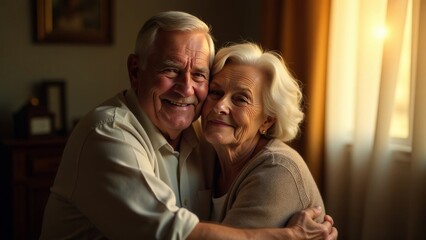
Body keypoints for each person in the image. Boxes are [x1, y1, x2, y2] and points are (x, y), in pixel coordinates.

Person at [40, 11, 337, 239]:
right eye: (171, 70)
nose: (185, 89)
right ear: (135, 71)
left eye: (199, 75)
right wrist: (286, 237)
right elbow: (172, 233)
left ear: (268, 120)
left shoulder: (206, 141)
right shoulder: (106, 134)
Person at [202, 42, 326, 228]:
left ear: (267, 121)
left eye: (241, 99)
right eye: (215, 92)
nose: (220, 106)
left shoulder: (277, 171)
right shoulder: (205, 154)